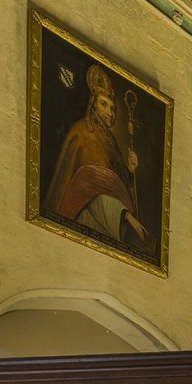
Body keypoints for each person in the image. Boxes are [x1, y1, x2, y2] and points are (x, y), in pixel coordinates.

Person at [44, 65, 147, 249]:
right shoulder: (81, 133)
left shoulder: (111, 142)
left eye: (113, 108)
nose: (110, 112)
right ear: (93, 104)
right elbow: (86, 187)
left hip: (111, 224)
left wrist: (130, 173)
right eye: (104, 104)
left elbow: (116, 185)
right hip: (87, 219)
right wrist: (125, 215)